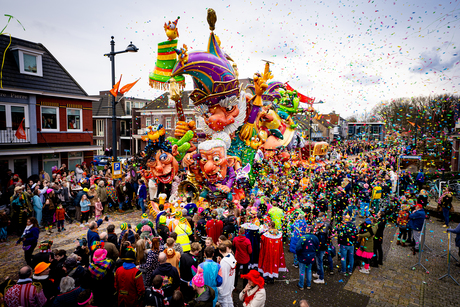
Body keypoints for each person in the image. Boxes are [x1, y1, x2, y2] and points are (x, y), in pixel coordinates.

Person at [296, 225, 319, 290]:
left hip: (303, 256)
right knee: (309, 270)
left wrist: (298, 254)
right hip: (311, 256)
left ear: (307, 230)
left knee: (302, 271)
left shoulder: (303, 237)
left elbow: (298, 248)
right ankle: (308, 285)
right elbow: (317, 247)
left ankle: (301, 285)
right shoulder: (315, 238)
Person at [217, 241, 236, 307]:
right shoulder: (231, 256)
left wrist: (220, 289)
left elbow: (223, 276)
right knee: (229, 301)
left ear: (220, 251)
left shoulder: (224, 262)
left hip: (225, 287)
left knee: (224, 303)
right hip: (230, 284)